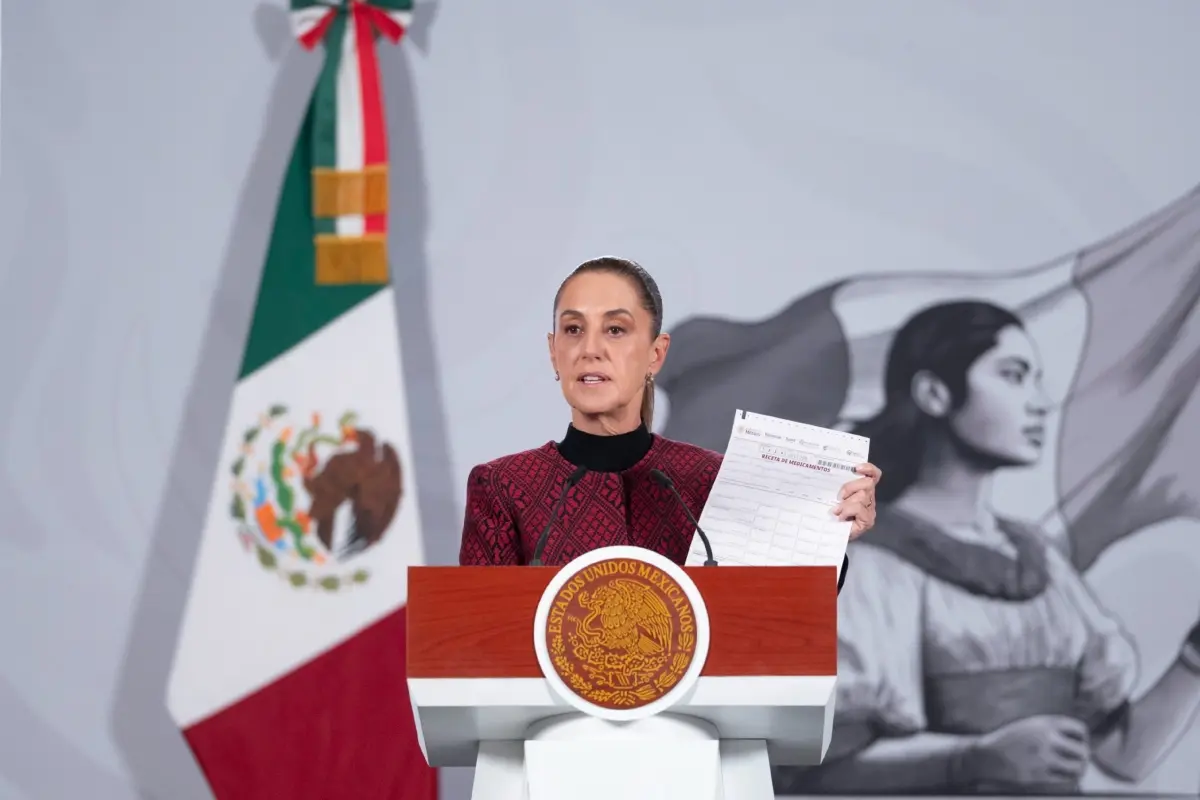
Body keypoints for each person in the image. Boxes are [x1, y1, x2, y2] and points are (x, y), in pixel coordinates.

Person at [772, 300, 1200, 795]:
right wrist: (975, 759)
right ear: (934, 393)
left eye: (1036, 378)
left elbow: (1122, 755)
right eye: (1014, 375)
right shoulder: (869, 562)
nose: (1040, 402)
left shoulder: (1037, 558)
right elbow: (815, 767)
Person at [457, 256, 882, 579]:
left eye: (616, 330)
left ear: (656, 354)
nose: (590, 348)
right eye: (573, 329)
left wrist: (829, 539)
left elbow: (773, 612)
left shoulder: (711, 480)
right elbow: (475, 641)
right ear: (554, 352)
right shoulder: (503, 488)